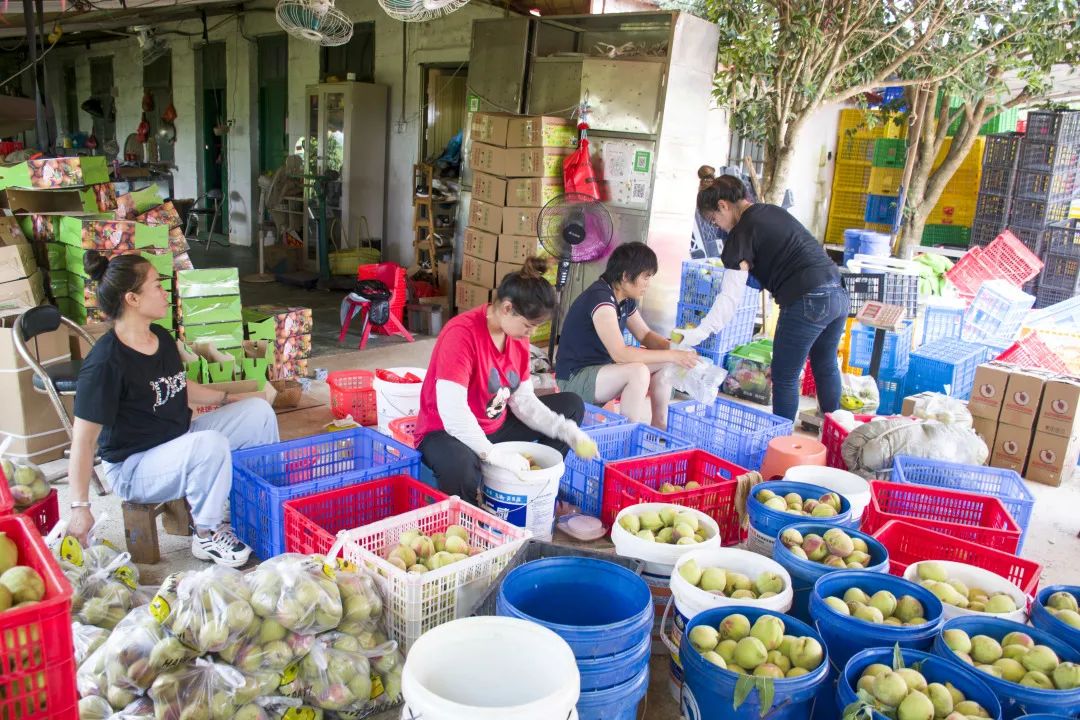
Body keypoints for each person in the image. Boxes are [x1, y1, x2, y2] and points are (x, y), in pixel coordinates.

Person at [67, 252, 279, 566]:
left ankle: (261, 505)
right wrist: (79, 507)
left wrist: (227, 399)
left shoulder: (161, 338)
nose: (166, 293)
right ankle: (206, 533)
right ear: (132, 299)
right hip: (133, 467)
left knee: (258, 414)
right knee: (209, 445)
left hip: (175, 438)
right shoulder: (105, 363)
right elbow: (83, 441)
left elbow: (179, 386)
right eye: (157, 286)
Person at [415, 258, 596, 501]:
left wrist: (563, 429)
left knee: (571, 406)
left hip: (493, 426)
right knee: (461, 468)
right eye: (529, 325)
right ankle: (472, 515)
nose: (530, 334)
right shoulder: (462, 335)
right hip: (447, 433)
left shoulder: (517, 337)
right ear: (507, 308)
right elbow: (453, 414)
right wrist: (492, 454)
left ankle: (534, 487)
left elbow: (523, 402)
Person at [681, 175, 849, 421]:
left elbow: (729, 298)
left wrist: (701, 332)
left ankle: (782, 442)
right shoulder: (769, 211)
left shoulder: (741, 233)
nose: (717, 225)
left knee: (785, 376)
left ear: (723, 205)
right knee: (825, 364)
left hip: (807, 299)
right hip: (838, 292)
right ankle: (835, 431)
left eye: (714, 219)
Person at [554, 242, 698, 430]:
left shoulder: (623, 299)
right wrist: (672, 354)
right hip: (575, 379)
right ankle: (626, 436)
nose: (648, 283)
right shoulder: (601, 299)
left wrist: (676, 351)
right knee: (637, 372)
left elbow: (645, 335)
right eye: (645, 277)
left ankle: (659, 427)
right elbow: (620, 353)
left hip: (601, 372)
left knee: (668, 363)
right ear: (625, 276)